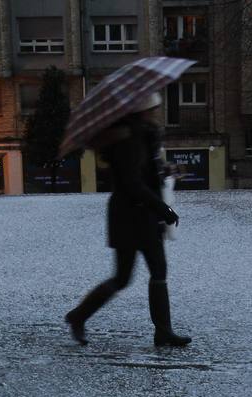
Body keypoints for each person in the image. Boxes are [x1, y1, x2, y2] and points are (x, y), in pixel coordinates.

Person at [64, 92, 190, 348]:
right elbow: (132, 183)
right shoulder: (128, 140)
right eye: (152, 108)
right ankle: (78, 316)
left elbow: (143, 173)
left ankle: (163, 332)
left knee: (154, 271)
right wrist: (162, 209)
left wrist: (166, 169)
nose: (155, 111)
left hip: (137, 214)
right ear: (141, 111)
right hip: (131, 216)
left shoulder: (141, 135)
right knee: (125, 276)